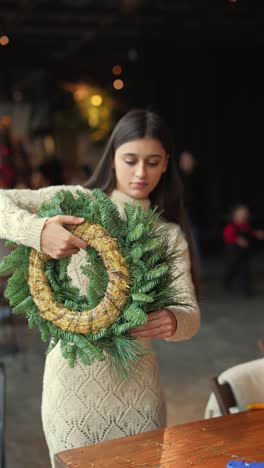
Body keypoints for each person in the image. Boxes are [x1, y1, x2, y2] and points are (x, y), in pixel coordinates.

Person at [0, 109, 200, 466]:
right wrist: (37, 231)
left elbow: (190, 312)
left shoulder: (167, 233)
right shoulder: (78, 203)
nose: (141, 173)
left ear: (166, 164)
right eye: (131, 160)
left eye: (153, 162)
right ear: (113, 157)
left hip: (139, 398)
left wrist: (174, 320)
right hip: (71, 397)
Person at [223, 203, 264, 296]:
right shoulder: (230, 226)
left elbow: (250, 232)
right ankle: (227, 282)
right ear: (234, 215)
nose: (244, 216)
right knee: (232, 269)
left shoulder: (245, 225)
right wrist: (237, 239)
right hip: (233, 254)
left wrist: (257, 234)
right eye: (241, 214)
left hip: (243, 253)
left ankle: (246, 290)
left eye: (246, 214)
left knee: (244, 270)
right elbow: (227, 237)